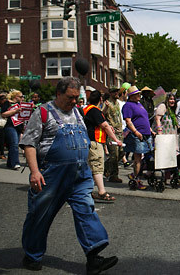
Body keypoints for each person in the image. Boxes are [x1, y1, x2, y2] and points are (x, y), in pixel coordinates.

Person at [20, 77, 118, 273]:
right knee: (40, 214)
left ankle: (93, 258)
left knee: (86, 209)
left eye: (77, 98)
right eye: (70, 97)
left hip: (80, 175)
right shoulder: (43, 112)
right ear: (58, 94)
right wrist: (34, 171)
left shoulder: (78, 112)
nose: (74, 102)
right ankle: (33, 255)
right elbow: (29, 143)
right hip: (52, 176)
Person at [83, 90, 123, 203]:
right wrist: (116, 139)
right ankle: (102, 192)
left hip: (89, 141)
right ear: (100, 99)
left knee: (90, 167)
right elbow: (104, 125)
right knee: (97, 166)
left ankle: (87, 191)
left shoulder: (87, 109)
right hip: (95, 141)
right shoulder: (94, 110)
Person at [123, 86, 156, 190]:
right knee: (138, 158)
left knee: (145, 156)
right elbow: (128, 120)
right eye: (137, 94)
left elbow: (144, 118)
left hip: (146, 134)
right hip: (138, 135)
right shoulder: (128, 105)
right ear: (131, 96)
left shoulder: (139, 104)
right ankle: (137, 179)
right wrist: (136, 132)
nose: (139, 96)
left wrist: (151, 130)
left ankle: (136, 175)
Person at [102, 89, 124, 183]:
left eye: (117, 92)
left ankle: (106, 167)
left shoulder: (117, 103)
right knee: (114, 154)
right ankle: (114, 175)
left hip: (120, 131)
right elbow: (102, 114)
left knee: (122, 153)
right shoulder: (107, 103)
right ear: (111, 93)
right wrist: (106, 108)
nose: (117, 94)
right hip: (112, 133)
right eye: (114, 92)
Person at [1, 89, 24, 170]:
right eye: (21, 97)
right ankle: (15, 163)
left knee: (14, 145)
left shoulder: (20, 104)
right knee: (14, 144)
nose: (22, 98)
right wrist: (15, 111)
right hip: (10, 126)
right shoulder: (7, 103)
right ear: (15, 97)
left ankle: (10, 162)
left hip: (18, 126)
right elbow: (3, 114)